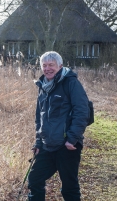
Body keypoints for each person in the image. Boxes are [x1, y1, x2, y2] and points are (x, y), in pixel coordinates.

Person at [28, 51, 90, 201]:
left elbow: (82, 112)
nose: (47, 68)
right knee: (34, 179)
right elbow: (39, 118)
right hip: (46, 145)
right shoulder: (43, 86)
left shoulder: (71, 83)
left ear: (60, 66)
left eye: (51, 65)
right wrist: (38, 142)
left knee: (69, 187)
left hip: (67, 145)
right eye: (44, 65)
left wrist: (72, 138)